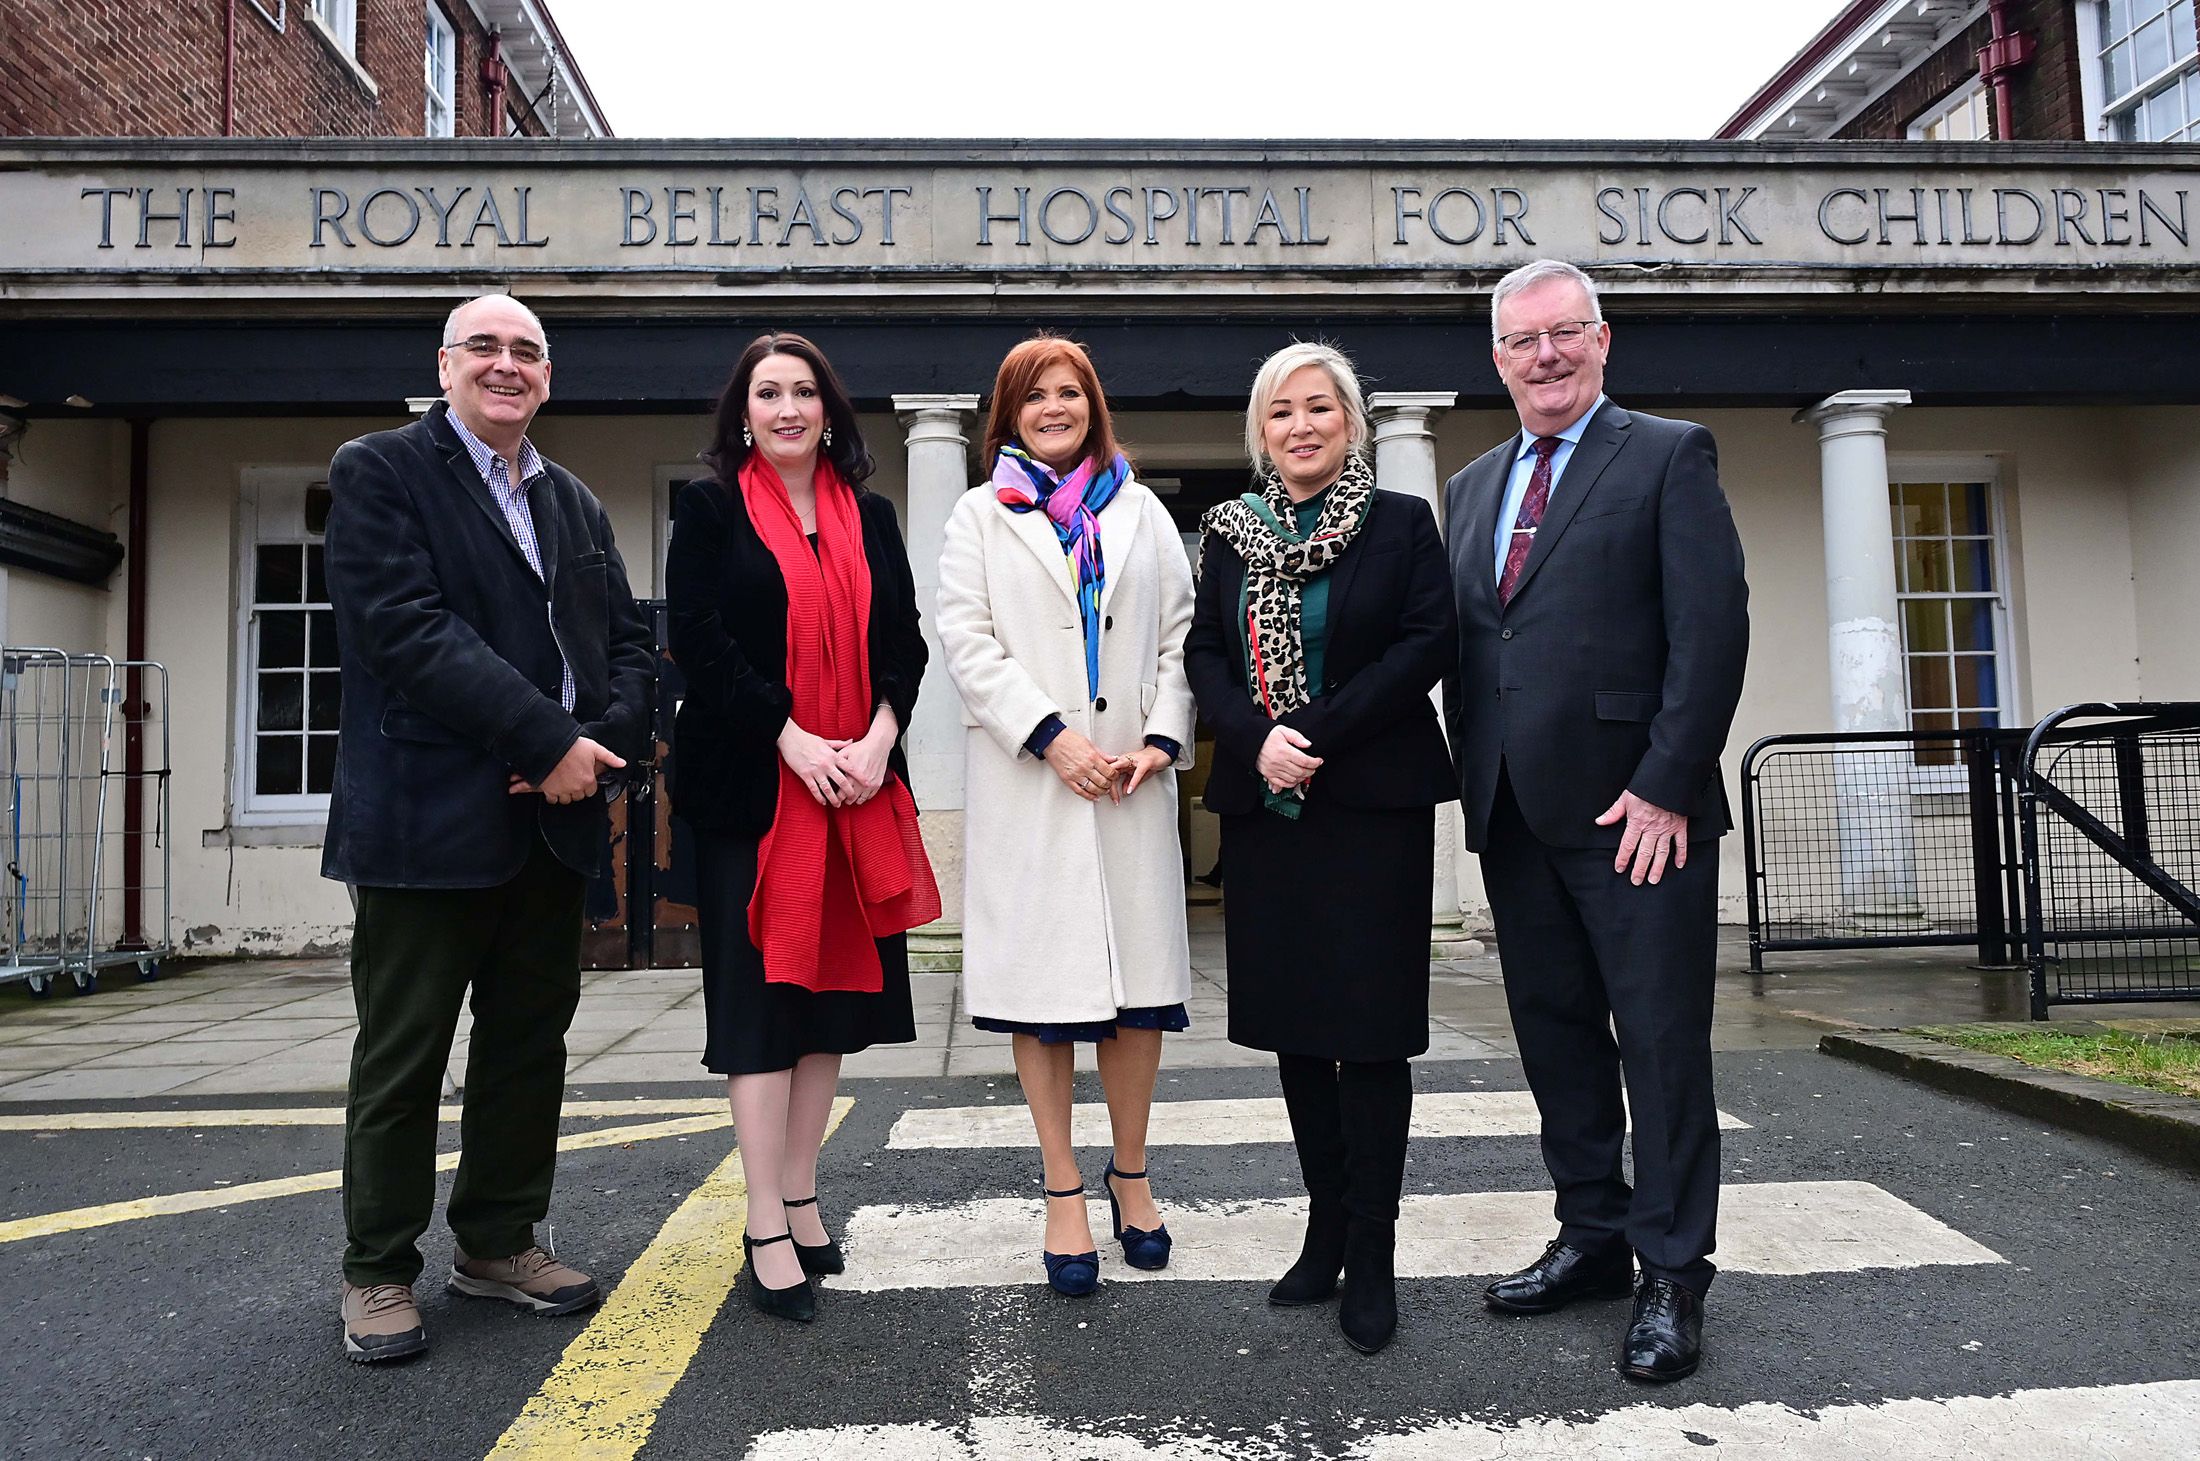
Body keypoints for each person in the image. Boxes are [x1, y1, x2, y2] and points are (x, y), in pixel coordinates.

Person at [323, 292, 653, 1363]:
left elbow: (627, 645)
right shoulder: (380, 470)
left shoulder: (575, 502)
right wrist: (541, 741)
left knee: (526, 1049)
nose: (507, 365)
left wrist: (594, 743)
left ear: (547, 376)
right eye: (486, 348)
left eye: (528, 352)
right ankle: (377, 1269)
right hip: (425, 822)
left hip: (552, 826)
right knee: (404, 1056)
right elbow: (402, 630)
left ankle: (498, 1241)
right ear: (446, 363)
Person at [1442, 259, 1749, 1384]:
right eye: (1523, 342)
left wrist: (1668, 780)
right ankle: (1594, 1236)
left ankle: (1674, 1271)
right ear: (1497, 360)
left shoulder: (1668, 455)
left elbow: (1711, 630)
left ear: (1602, 339)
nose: (1546, 357)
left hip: (1639, 816)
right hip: (1517, 813)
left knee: (1660, 1046)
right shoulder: (1472, 488)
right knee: (1556, 1036)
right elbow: (1477, 652)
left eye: (1565, 333)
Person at [1185, 341, 1457, 1355]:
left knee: (1372, 1033)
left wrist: (1316, 735)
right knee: (1301, 1031)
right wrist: (1257, 740)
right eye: (1279, 413)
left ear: (1351, 422)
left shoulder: (1399, 524)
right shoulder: (1228, 536)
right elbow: (1203, 654)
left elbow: (1427, 641)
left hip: (1370, 802)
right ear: (1260, 433)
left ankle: (1375, 1250)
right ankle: (1325, 1228)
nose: (1299, 427)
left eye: (1318, 409)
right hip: (1269, 810)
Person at [666, 331, 939, 1324]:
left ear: (830, 410)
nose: (787, 408)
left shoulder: (869, 515)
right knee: (759, 1013)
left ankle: (805, 1195)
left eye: (804, 392)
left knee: (828, 1007)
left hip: (858, 788)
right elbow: (696, 637)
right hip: (757, 791)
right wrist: (790, 737)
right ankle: (763, 1224)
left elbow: (902, 639)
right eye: (767, 393)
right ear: (743, 412)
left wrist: (876, 737)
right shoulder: (705, 509)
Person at [936, 334, 1196, 1297]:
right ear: (1008, 412)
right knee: (1043, 1006)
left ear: (1093, 405)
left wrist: (1161, 739)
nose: (1055, 408)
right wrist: (1051, 735)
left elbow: (1180, 637)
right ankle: (1062, 1188)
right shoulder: (977, 515)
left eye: (1071, 393)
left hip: (1129, 782)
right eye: (1035, 396)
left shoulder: (1142, 512)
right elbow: (965, 638)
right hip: (1036, 783)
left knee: (1137, 999)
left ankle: (1132, 1173)